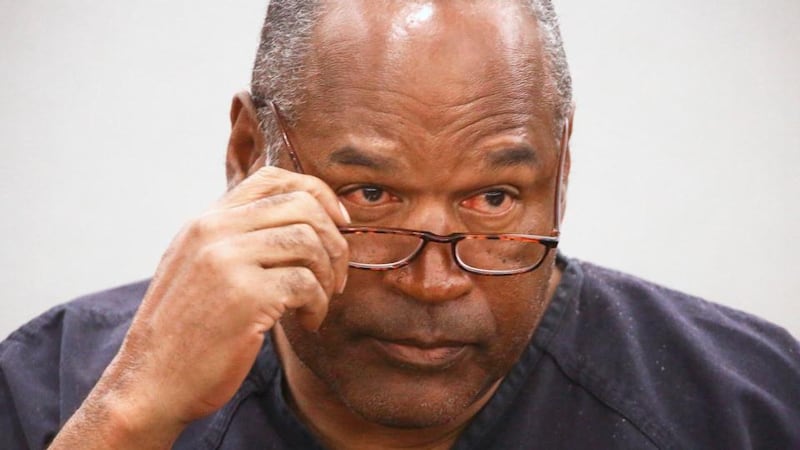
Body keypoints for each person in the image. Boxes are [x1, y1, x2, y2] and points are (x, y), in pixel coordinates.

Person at [2, 0, 799, 448]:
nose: (436, 281)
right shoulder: (52, 391)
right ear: (251, 153)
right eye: (370, 197)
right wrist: (129, 417)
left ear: (561, 167)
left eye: (492, 200)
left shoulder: (750, 408)